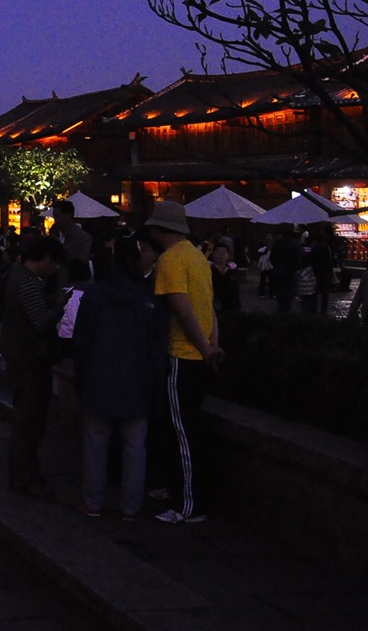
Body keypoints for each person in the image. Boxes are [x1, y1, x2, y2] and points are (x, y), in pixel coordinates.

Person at [72, 236, 168, 520]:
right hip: (137, 382)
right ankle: (131, 506)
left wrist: (83, 376)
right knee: (135, 447)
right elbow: (157, 345)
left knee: (95, 443)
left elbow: (81, 341)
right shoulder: (148, 297)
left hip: (99, 379)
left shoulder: (95, 294)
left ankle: (93, 501)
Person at [143, 200, 222, 525]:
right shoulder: (197, 256)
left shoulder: (170, 260)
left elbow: (182, 307)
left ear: (159, 230)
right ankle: (182, 492)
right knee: (186, 429)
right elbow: (209, 306)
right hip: (199, 353)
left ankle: (189, 505)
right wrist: (214, 344)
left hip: (182, 354)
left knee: (182, 432)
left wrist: (203, 348)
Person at [1, 236, 66, 497]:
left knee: (26, 420)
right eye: (55, 264)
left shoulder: (14, 275)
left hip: (19, 356)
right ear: (47, 259)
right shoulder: (27, 282)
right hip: (30, 360)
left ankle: (24, 473)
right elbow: (41, 321)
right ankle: (25, 477)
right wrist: (60, 305)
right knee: (30, 421)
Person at [50, 199, 93, 287]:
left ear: (68, 215)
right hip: (55, 286)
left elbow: (81, 264)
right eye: (54, 217)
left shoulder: (82, 237)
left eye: (58, 217)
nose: (56, 220)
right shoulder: (55, 234)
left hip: (74, 285)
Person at [209, 243, 241, 315]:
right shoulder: (208, 270)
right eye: (217, 252)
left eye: (223, 252)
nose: (220, 255)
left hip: (232, 307)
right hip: (214, 307)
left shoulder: (233, 270)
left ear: (228, 255)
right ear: (213, 254)